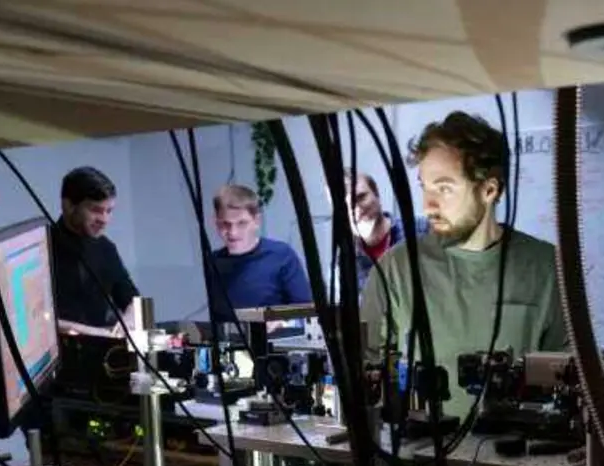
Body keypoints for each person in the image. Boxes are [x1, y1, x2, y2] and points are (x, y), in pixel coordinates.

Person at [361, 111, 566, 417]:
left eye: (444, 188)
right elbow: (366, 378)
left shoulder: (548, 268)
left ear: (489, 190)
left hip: (514, 457)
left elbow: (568, 380)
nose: (427, 205)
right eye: (424, 187)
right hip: (422, 458)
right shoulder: (395, 270)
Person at [52, 167, 139, 337]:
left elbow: (133, 299)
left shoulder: (106, 247)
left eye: (109, 211)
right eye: (95, 210)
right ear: (68, 205)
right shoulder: (40, 249)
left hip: (100, 348)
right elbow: (37, 322)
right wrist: (98, 333)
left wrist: (130, 320)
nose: (104, 220)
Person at [207, 184, 312, 324]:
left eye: (242, 223)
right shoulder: (212, 262)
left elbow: (307, 311)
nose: (233, 232)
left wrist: (283, 323)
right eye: (225, 224)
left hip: (274, 342)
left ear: (256, 221)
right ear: (215, 222)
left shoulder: (281, 255)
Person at [344, 171, 429, 297]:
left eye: (361, 197)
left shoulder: (422, 229)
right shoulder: (343, 264)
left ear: (377, 194)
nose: (356, 208)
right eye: (346, 205)